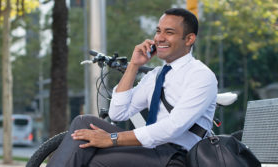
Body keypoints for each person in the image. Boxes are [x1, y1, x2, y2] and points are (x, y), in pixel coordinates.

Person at [46, 8, 217, 167]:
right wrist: (134, 65)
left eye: (169, 32)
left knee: (93, 160)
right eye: (158, 31)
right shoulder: (156, 75)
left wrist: (112, 138)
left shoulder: (201, 76)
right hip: (151, 149)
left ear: (189, 39)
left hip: (177, 155)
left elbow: (173, 128)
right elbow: (117, 113)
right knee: (84, 122)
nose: (160, 38)